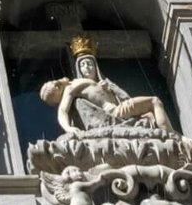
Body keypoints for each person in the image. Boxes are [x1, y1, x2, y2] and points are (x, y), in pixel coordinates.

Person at [39, 36, 177, 136]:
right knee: (154, 101)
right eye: (82, 65)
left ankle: (171, 134)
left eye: (89, 63)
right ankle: (171, 137)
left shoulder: (102, 82)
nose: (87, 67)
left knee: (151, 114)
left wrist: (109, 89)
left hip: (119, 107)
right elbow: (62, 111)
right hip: (114, 112)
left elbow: (124, 96)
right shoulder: (73, 85)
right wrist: (69, 128)